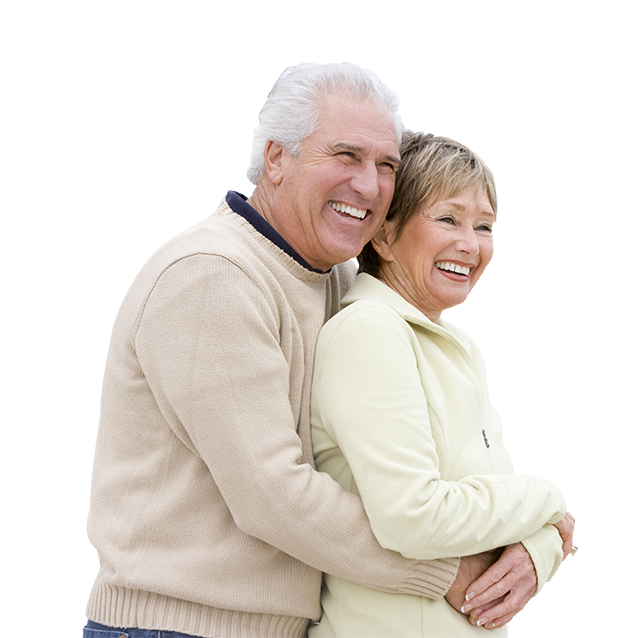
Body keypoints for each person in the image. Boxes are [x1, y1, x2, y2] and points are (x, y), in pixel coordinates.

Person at [84, 63, 542, 638]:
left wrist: (535, 539)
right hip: (179, 627)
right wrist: (446, 571)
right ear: (276, 158)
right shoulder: (212, 277)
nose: (370, 186)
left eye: (386, 165)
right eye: (347, 155)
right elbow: (274, 496)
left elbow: (423, 470)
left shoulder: (339, 284)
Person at [309, 131, 575, 637]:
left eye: (484, 226)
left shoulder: (456, 346)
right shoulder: (370, 330)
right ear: (384, 236)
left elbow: (490, 513)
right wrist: (549, 501)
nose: (470, 245)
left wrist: (542, 546)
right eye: (448, 219)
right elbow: (413, 516)